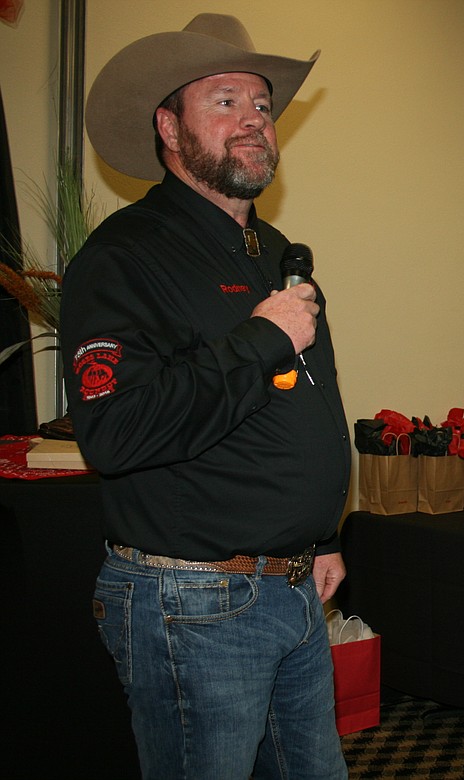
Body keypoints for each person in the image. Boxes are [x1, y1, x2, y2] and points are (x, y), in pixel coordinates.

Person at [60, 15, 349, 779]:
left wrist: (320, 535)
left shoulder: (275, 253)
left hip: (291, 590)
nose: (254, 118)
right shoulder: (125, 256)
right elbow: (115, 431)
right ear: (169, 126)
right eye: (225, 101)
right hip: (192, 601)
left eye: (261, 104)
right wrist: (260, 339)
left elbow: (295, 407)